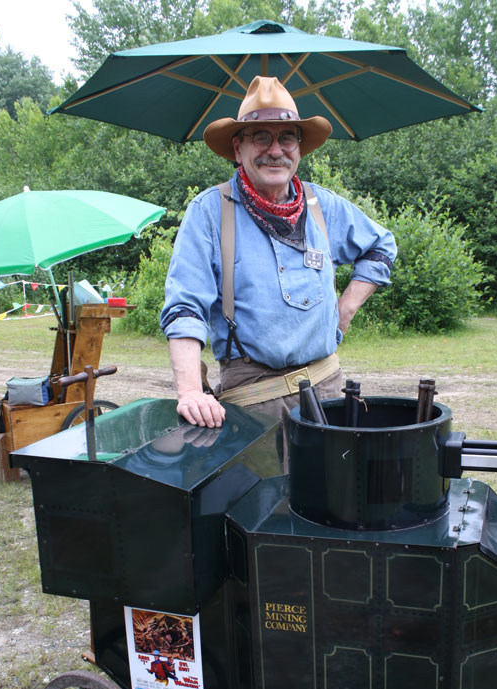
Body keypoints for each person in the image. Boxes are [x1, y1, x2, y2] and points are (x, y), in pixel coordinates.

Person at [161, 75, 396, 436]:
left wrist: (343, 311)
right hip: (253, 404)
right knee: (261, 494)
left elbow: (382, 247)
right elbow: (185, 308)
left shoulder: (323, 206)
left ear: (299, 148)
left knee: (334, 491)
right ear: (238, 149)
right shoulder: (210, 211)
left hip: (328, 392)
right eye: (261, 137)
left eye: (287, 137)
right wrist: (191, 391)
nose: (275, 150)